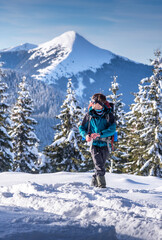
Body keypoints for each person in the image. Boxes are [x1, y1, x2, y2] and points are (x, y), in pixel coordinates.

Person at [79, 93, 116, 188]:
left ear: (101, 104)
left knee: (100, 166)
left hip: (105, 144)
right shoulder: (89, 115)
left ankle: (93, 186)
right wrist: (86, 135)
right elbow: (82, 128)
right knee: (99, 165)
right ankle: (102, 186)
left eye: (94, 102)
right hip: (94, 144)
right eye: (92, 102)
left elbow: (112, 129)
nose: (92, 104)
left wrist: (100, 134)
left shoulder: (109, 115)